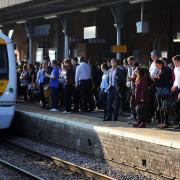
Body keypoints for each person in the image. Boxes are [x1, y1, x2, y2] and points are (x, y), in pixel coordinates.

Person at [154, 60, 172, 128]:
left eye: (156, 65)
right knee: (160, 106)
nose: (156, 67)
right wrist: (155, 78)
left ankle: (165, 122)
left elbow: (166, 79)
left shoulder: (166, 70)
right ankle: (162, 122)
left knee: (165, 106)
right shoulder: (159, 70)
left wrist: (158, 77)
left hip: (164, 90)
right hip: (159, 90)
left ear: (160, 64)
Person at [171, 55, 180, 129]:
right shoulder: (175, 69)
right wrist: (174, 86)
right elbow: (176, 80)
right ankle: (178, 123)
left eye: (175, 62)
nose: (174, 64)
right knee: (177, 106)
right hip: (177, 89)